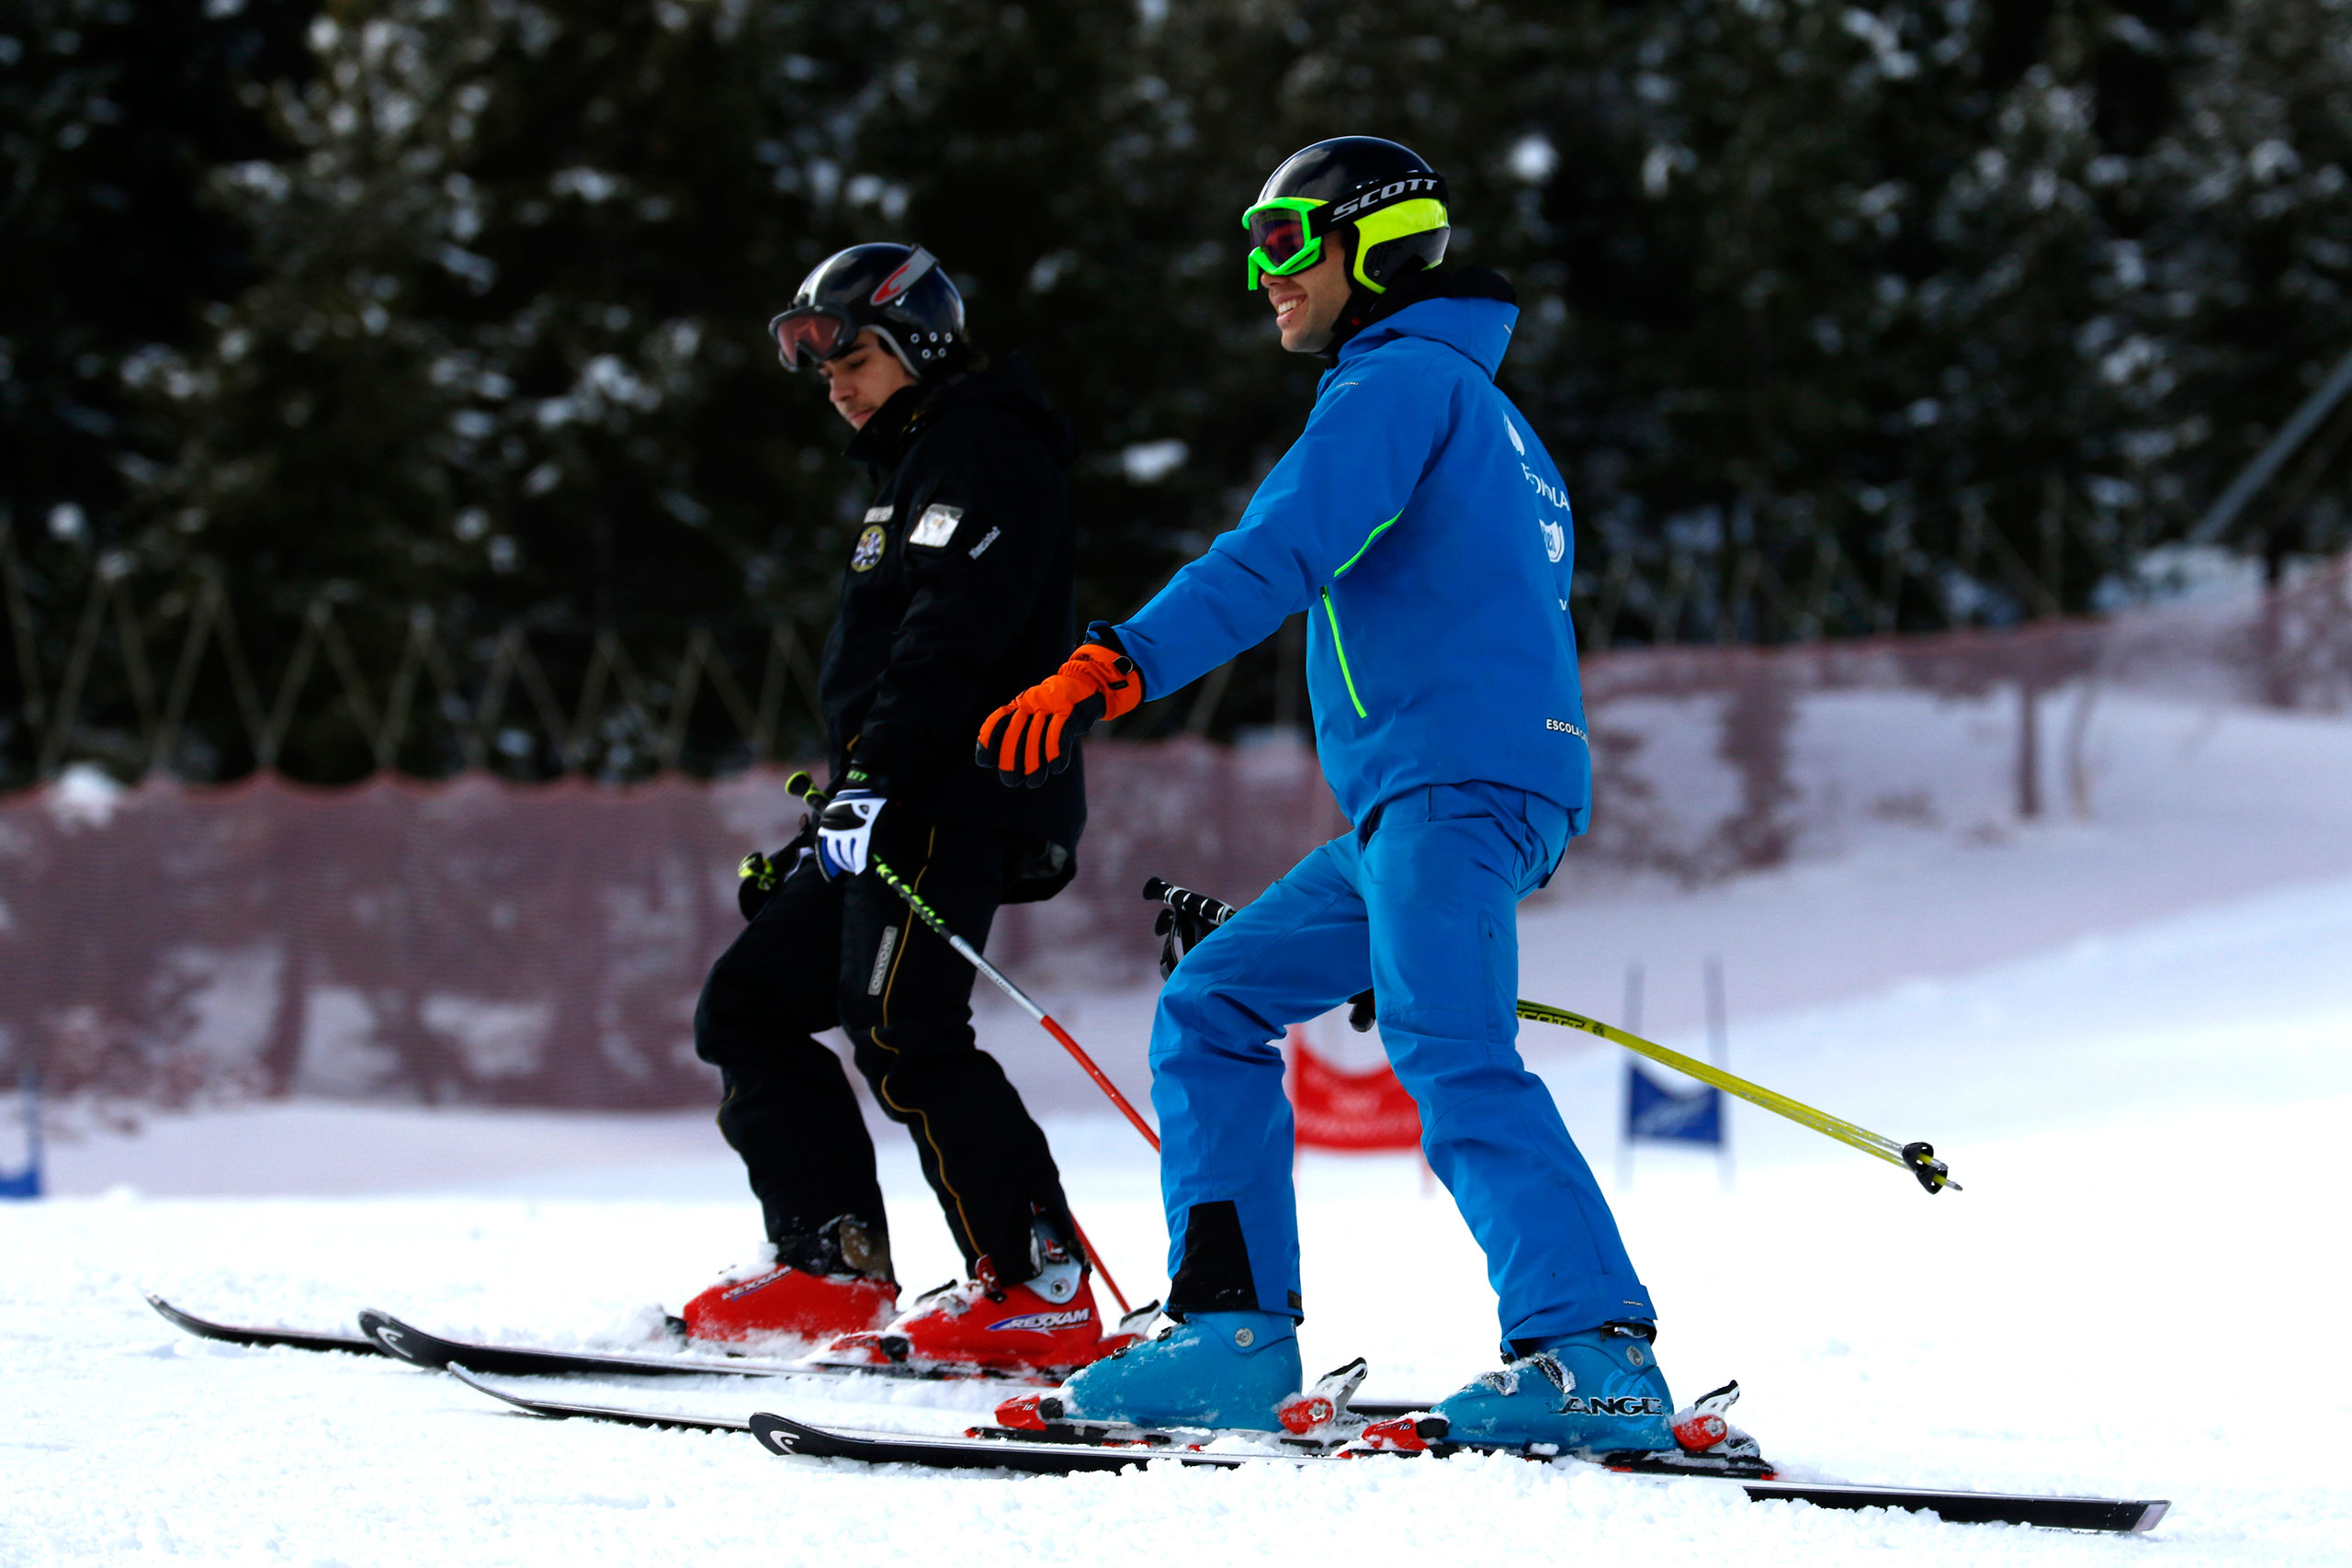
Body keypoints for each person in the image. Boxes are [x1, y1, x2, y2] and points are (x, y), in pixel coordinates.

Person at [977, 139, 1678, 1449]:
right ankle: (1232, 1332)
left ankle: (1593, 1354)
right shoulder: (1491, 416)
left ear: (1378, 247)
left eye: (1288, 239)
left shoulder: (1400, 383)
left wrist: (1111, 663)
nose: (1262, 272)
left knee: (1448, 1045)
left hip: (1451, 790)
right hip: (1424, 802)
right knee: (1213, 998)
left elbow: (1279, 552)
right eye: (1254, 243)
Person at [680, 243, 1134, 1377]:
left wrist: (873, 781)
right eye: (808, 355)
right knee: (749, 1006)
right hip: (885, 800)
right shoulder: (915, 462)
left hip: (953, 795)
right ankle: (830, 1267)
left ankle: (1037, 1288)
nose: (828, 378)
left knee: (904, 1029)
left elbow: (953, 636)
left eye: (849, 353)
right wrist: (828, 822)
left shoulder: (984, 447)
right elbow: (898, 660)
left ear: (918, 346)